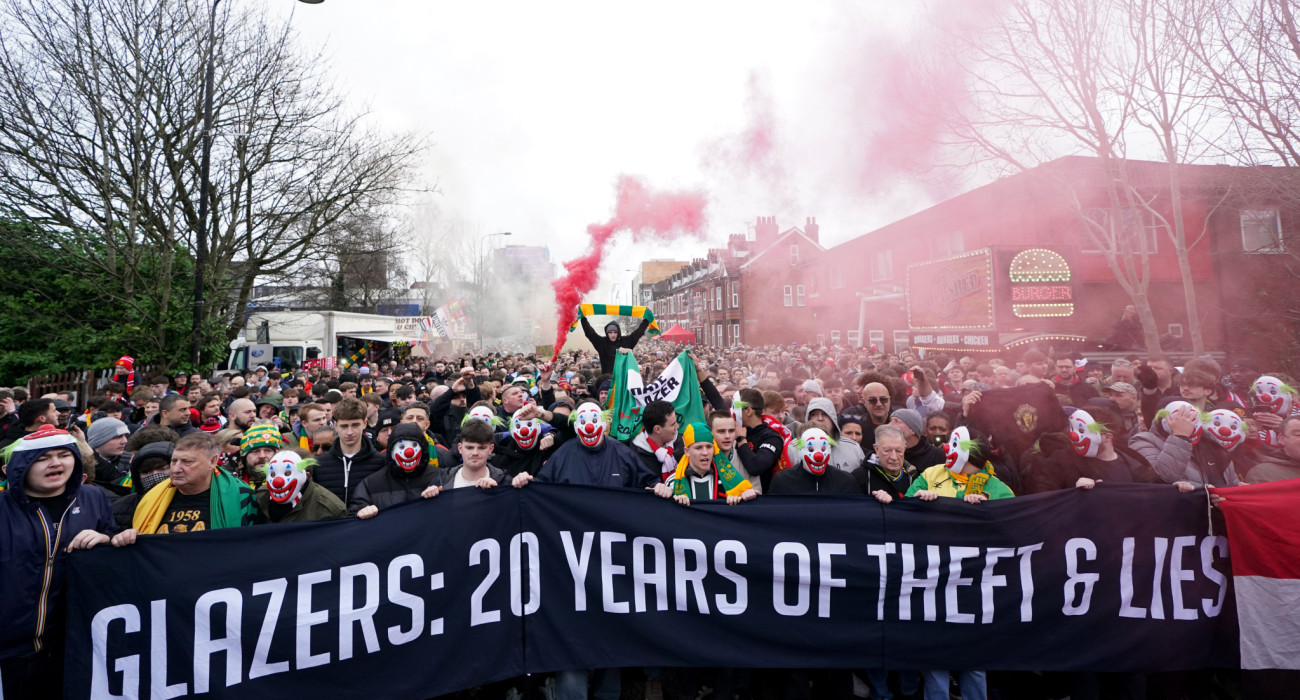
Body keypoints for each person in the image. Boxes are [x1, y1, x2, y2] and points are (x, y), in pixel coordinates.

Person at [0, 427, 118, 700]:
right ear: (20, 467)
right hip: (9, 652)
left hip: (72, 647)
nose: (55, 463)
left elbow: (115, 554)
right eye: (42, 458)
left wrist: (108, 540)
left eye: (64, 455)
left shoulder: (94, 498)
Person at [114, 432, 259, 541]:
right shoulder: (151, 497)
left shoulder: (240, 496)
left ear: (213, 461)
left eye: (187, 462)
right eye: (173, 461)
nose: (176, 469)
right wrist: (128, 536)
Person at [1130, 399, 1238, 487]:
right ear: (1163, 420)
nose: (1187, 422)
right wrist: (1180, 436)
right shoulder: (1143, 440)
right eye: (1179, 418)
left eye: (1192, 418)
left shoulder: (1211, 444)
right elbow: (1161, 478)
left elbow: (1231, 482)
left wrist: (1237, 487)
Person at [350, 423, 444, 519]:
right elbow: (354, 512)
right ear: (391, 451)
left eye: (414, 445)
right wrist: (361, 511)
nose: (409, 453)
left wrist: (441, 492)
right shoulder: (371, 484)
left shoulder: (440, 476)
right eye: (401, 447)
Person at [653, 421, 757, 504]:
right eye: (698, 448)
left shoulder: (728, 479)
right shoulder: (673, 482)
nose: (705, 452)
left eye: (709, 447)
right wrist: (662, 492)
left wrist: (745, 495)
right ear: (687, 451)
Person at [315, 398, 387, 503]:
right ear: (336, 426)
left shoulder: (381, 463)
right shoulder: (319, 465)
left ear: (364, 423)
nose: (349, 432)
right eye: (344, 426)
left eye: (355, 425)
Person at [255, 448, 347, 523]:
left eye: (287, 473)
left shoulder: (330, 509)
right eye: (273, 474)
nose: (277, 482)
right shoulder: (259, 497)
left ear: (306, 475)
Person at [767, 426, 859, 494]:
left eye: (823, 449)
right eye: (811, 450)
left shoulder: (846, 481)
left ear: (829, 450)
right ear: (800, 450)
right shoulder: (782, 480)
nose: (818, 456)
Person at [438, 420, 509, 490]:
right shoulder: (441, 480)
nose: (475, 453)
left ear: (491, 449)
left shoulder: (505, 482)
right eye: (469, 448)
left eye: (481, 448)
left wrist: (498, 490)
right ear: (460, 448)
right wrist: (433, 495)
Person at [855, 424, 918, 500]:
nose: (894, 457)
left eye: (898, 451)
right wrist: (876, 502)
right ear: (876, 449)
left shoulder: (913, 475)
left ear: (904, 449)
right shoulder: (861, 477)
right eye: (887, 451)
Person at [804, 396, 865, 473]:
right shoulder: (794, 449)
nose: (820, 418)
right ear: (808, 419)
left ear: (833, 418)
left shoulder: (853, 449)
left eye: (825, 414)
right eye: (814, 414)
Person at [581, 313, 650, 375]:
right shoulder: (602, 343)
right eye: (610, 332)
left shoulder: (625, 342)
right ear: (607, 333)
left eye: (615, 332)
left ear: (618, 332)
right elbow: (590, 333)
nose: (613, 335)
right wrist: (583, 318)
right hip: (607, 378)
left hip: (622, 379)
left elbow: (638, 333)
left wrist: (646, 318)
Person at [629, 400, 679, 481]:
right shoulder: (635, 456)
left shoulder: (681, 442)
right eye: (673, 424)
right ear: (657, 429)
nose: (677, 427)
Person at [1244, 415, 1300, 483]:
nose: (1253, 429)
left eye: (1253, 425)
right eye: (1298, 434)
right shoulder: (1263, 474)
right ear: (1281, 438)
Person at [85, 416, 133, 495]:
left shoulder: (131, 461)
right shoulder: (81, 464)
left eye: (125, 436)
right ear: (98, 440)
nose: (124, 441)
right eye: (117, 437)